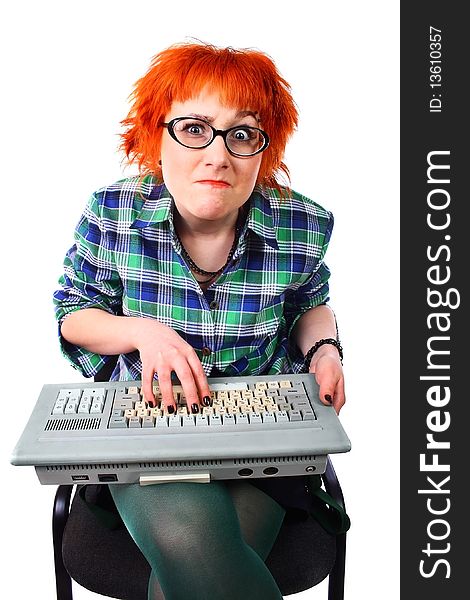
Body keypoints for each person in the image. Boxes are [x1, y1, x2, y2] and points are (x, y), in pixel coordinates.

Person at [53, 41, 346, 600]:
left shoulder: (300, 223)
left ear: (265, 149)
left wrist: (324, 351)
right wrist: (142, 331)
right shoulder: (111, 215)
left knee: (188, 577)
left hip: (265, 431)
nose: (217, 155)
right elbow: (73, 314)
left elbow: (311, 303)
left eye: (242, 134)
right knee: (191, 544)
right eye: (193, 128)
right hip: (148, 426)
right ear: (154, 136)